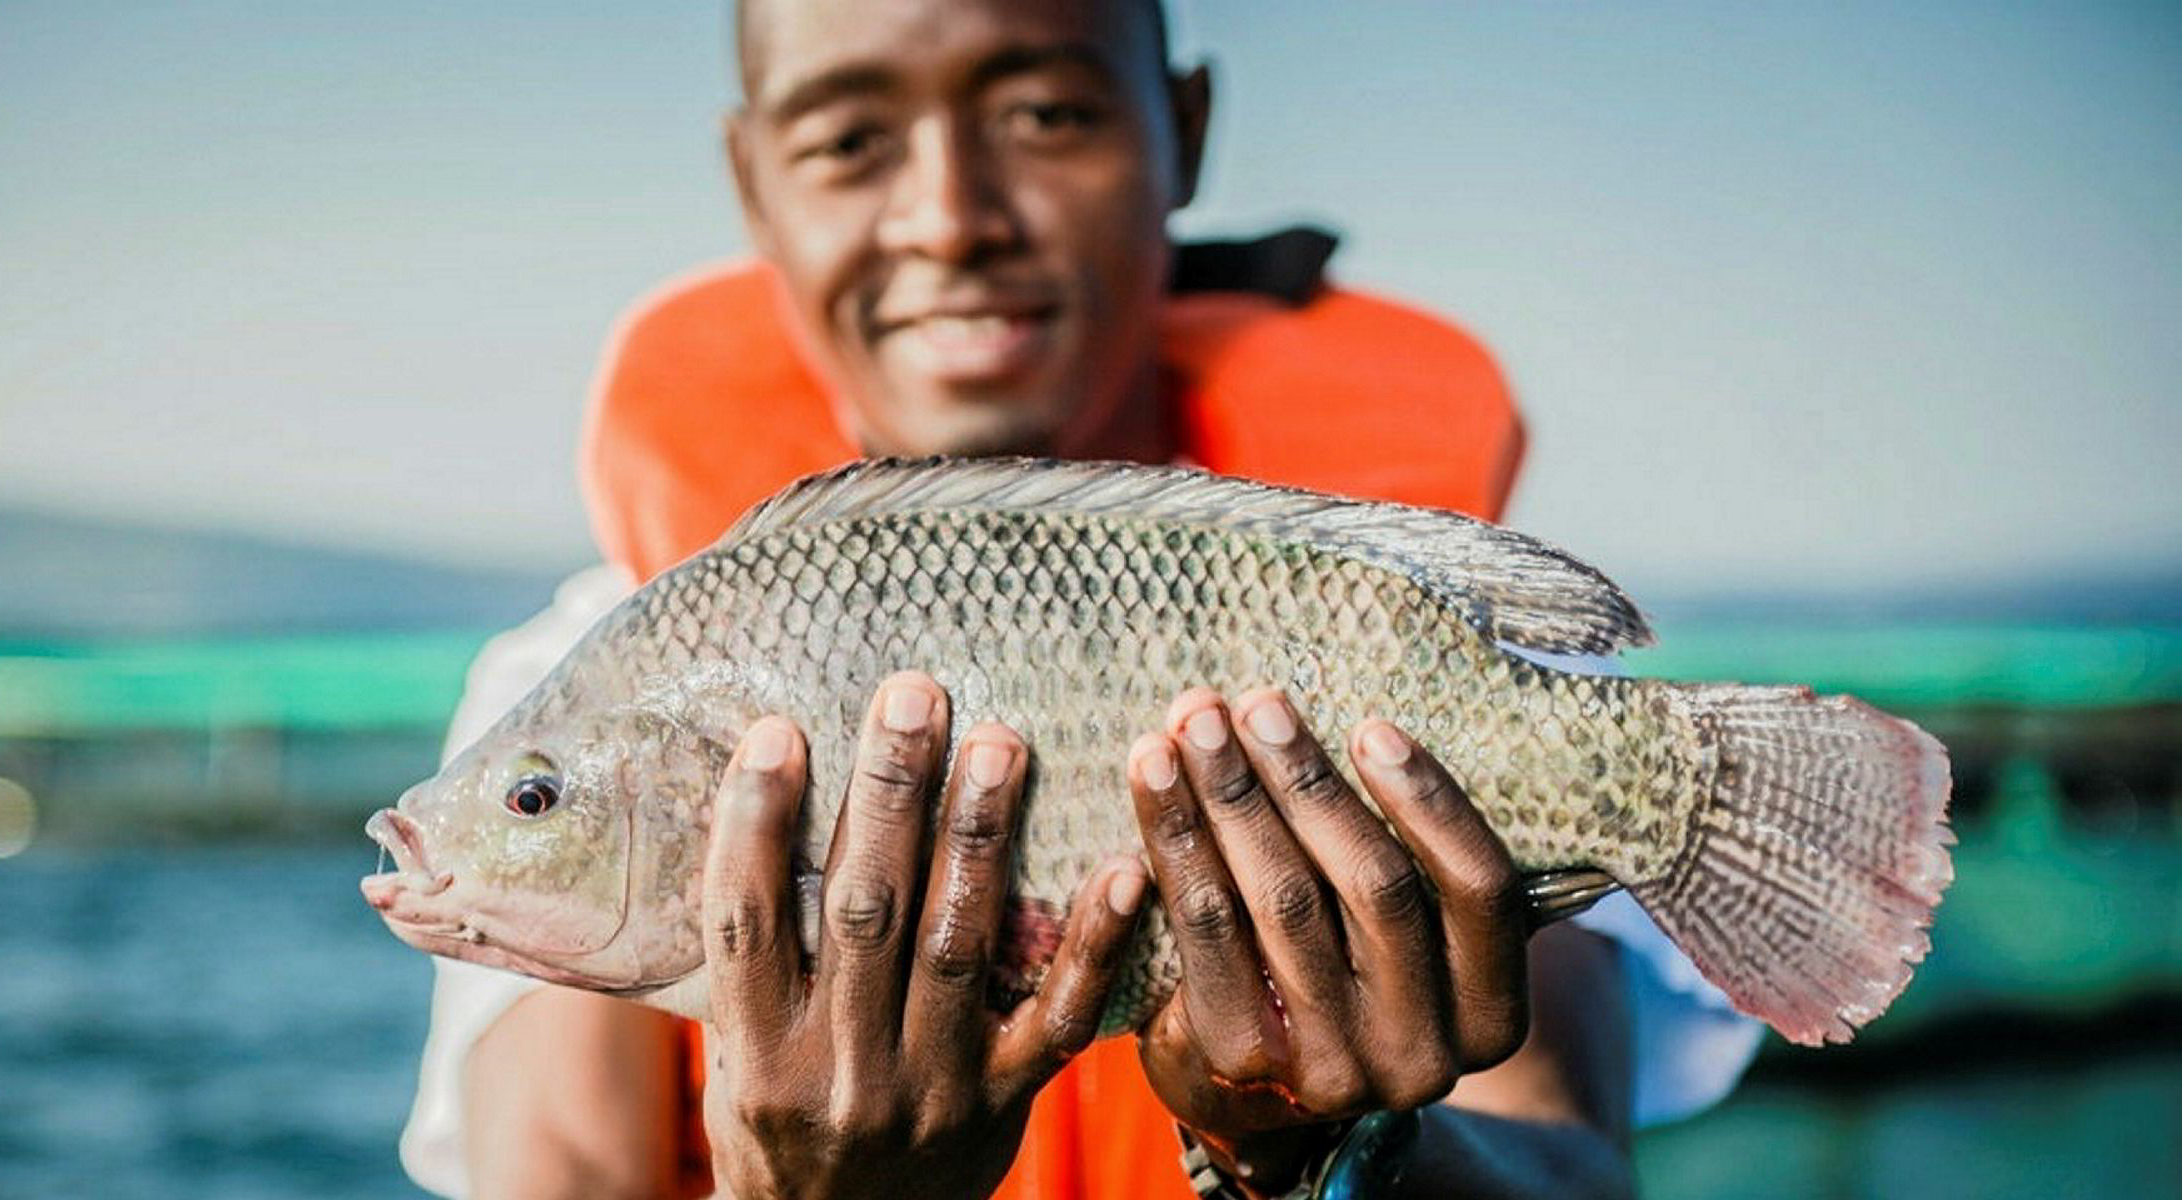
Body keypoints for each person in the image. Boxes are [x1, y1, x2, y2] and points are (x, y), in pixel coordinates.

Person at [400, 1, 1762, 1197]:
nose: (950, 217)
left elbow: (1569, 1170)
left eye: (1048, 113)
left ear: (1183, 129)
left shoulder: (1423, 651)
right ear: (753, 181)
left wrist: (1317, 1151)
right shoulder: (592, 658)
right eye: (846, 142)